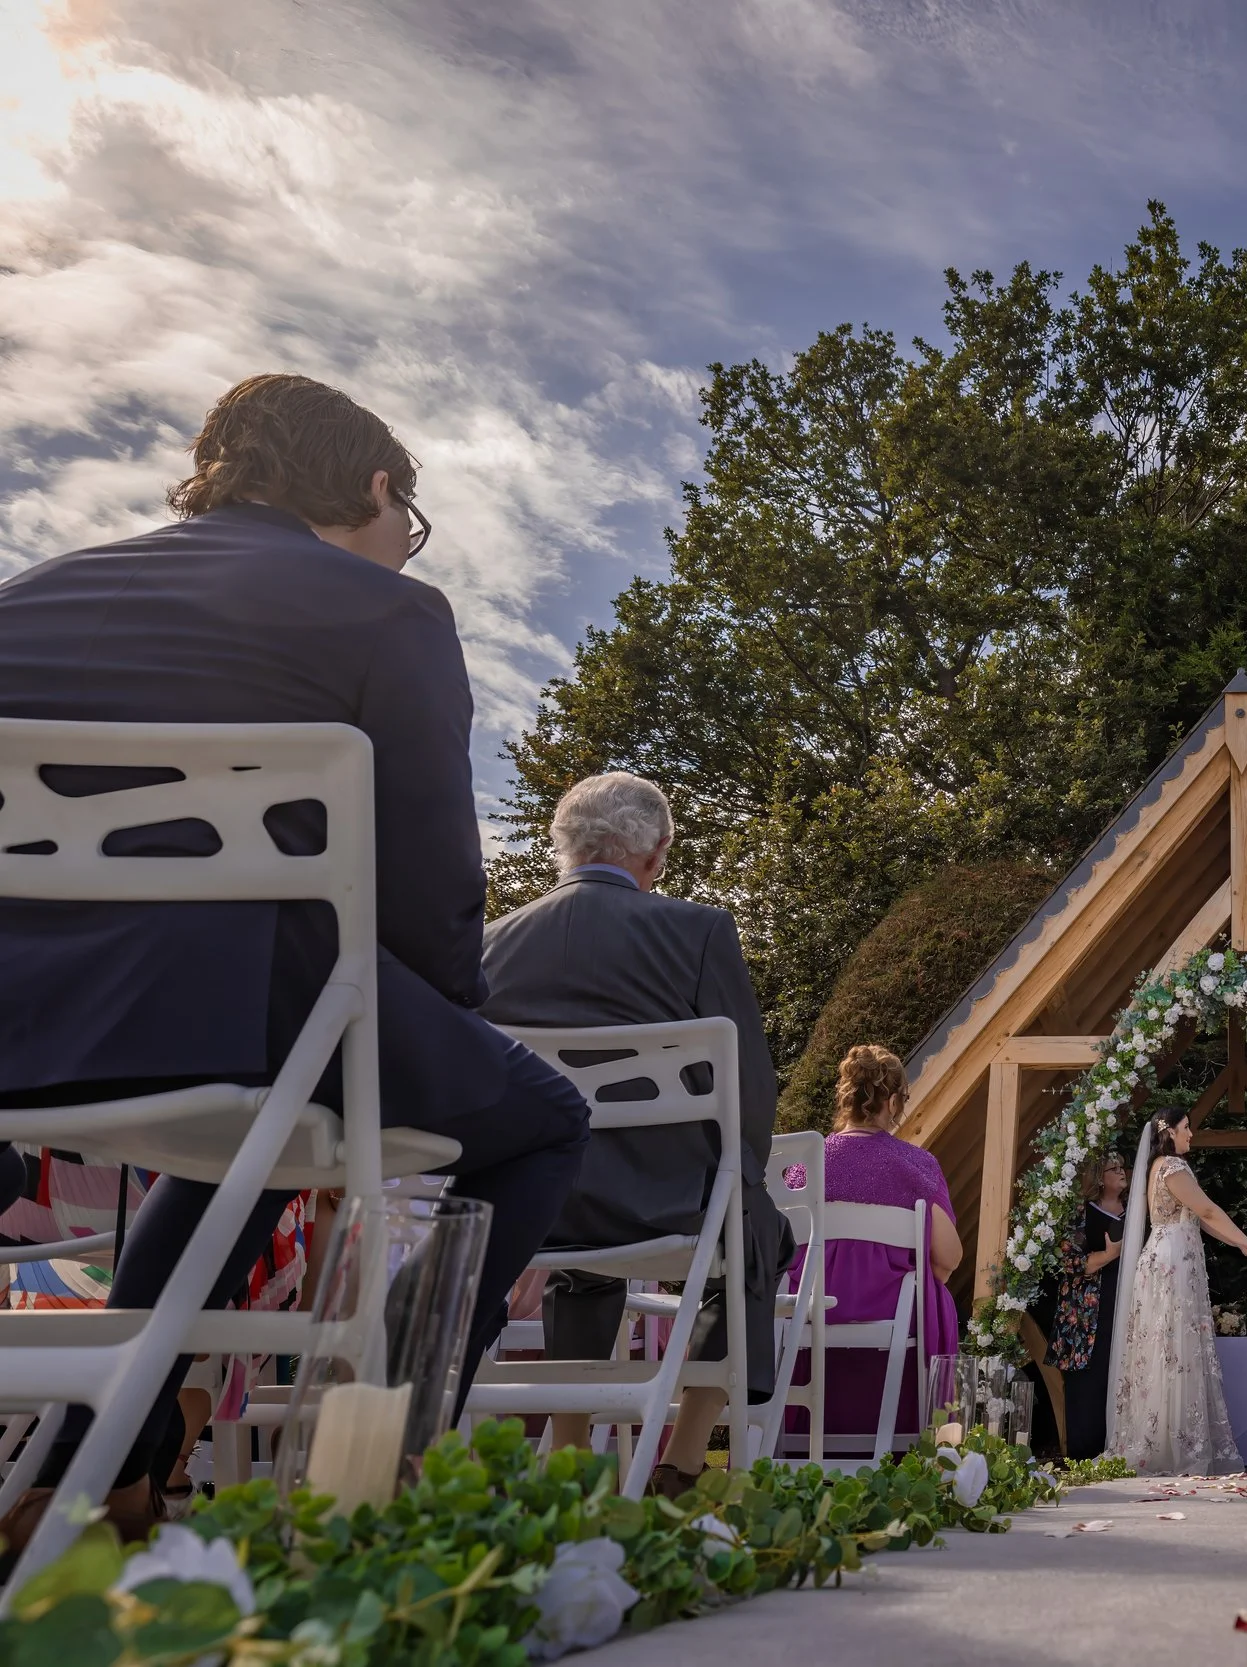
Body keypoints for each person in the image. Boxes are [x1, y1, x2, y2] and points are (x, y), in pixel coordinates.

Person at [0, 374, 589, 1552]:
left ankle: (85, 1465)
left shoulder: (30, 598)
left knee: (253, 1138)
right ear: (376, 488)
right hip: (247, 1009)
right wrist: (434, 1029)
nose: (400, 546)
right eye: (404, 521)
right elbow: (430, 888)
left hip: (22, 1024)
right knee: (543, 1116)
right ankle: (377, 1474)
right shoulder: (388, 611)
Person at [479, 771, 794, 1498]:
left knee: (577, 1261)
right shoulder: (699, 931)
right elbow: (750, 1089)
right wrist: (739, 1179)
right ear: (655, 856)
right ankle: (682, 1461)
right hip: (670, 1202)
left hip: (536, 1207)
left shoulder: (492, 945)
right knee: (758, 1233)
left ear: (565, 844)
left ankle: (569, 1459)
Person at [810, 1045, 961, 1446]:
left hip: (809, 1316)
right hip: (893, 1317)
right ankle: (926, 1442)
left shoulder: (805, 1163)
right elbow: (948, 1258)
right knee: (935, 1293)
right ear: (892, 1101)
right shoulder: (915, 1165)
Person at [1108, 1108, 1247, 1475]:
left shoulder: (1158, 1167)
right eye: (1186, 1127)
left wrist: (1241, 1244)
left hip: (1168, 1258)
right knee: (1173, 1348)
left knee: (1165, 1349)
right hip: (1172, 1264)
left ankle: (1161, 1442)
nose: (1192, 1134)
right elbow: (1208, 1211)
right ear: (1170, 1132)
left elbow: (1201, 1219)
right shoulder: (1173, 1168)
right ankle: (1173, 1447)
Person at [1045, 1151, 1129, 1462]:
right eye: (1113, 1168)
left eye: (1122, 1166)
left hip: (1124, 1302)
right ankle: (1082, 1455)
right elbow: (1069, 1261)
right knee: (1087, 1379)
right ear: (1097, 1176)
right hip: (1085, 1310)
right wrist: (1109, 1255)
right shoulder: (1080, 1212)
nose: (1121, 1172)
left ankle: (1116, 1451)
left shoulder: (1134, 1211)